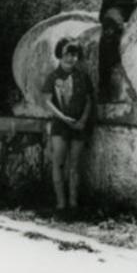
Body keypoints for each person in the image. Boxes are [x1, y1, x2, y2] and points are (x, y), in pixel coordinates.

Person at [41, 38, 93, 218]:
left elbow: (88, 100)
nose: (71, 58)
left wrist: (83, 120)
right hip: (60, 126)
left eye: (74, 54)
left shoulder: (82, 76)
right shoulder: (53, 77)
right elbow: (47, 101)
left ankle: (73, 203)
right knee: (59, 162)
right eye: (67, 54)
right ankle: (60, 204)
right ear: (59, 55)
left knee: (75, 165)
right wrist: (63, 118)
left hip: (79, 126)